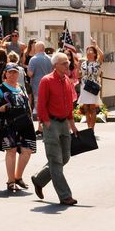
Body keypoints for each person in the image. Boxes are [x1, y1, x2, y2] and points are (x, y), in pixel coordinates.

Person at [31, 52, 79, 205]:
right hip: (51, 123)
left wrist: (72, 124)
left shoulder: (66, 80)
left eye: (68, 62)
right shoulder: (47, 81)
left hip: (64, 123)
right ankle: (65, 195)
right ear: (55, 66)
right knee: (55, 160)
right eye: (64, 63)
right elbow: (41, 104)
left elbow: (69, 105)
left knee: (65, 157)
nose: (68, 65)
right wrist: (46, 122)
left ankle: (39, 179)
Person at [0, 63, 36, 191]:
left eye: (15, 72)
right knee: (12, 150)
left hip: (25, 123)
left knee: (28, 149)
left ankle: (18, 177)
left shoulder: (21, 87)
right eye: (10, 72)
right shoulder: (0, 88)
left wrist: (31, 118)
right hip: (8, 124)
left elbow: (27, 105)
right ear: (5, 73)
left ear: (19, 74)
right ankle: (11, 181)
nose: (13, 75)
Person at [78, 39, 104, 130]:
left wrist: (95, 45)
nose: (88, 53)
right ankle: (88, 127)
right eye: (87, 52)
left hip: (93, 86)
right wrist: (78, 68)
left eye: (90, 52)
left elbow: (102, 55)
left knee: (92, 107)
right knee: (86, 107)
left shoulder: (97, 62)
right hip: (85, 86)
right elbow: (79, 75)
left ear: (94, 53)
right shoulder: (84, 63)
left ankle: (92, 128)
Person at [27, 41, 53, 123]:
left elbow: (30, 74)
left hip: (37, 86)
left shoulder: (33, 59)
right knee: (48, 105)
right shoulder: (50, 59)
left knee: (39, 106)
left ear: (36, 49)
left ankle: (41, 124)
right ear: (44, 49)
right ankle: (47, 124)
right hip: (49, 86)